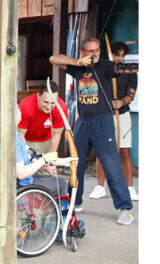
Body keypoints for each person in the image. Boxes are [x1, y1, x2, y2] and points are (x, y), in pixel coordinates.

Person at [49, 37, 138, 225]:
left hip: (102, 121)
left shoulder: (105, 66)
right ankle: (75, 201)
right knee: (76, 163)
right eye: (90, 51)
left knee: (111, 164)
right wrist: (77, 62)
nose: (94, 54)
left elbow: (126, 68)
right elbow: (53, 59)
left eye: (97, 50)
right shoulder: (78, 67)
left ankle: (125, 208)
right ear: (82, 53)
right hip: (82, 122)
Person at [90, 41, 138, 201]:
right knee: (103, 152)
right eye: (117, 54)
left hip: (122, 114)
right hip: (104, 115)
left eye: (122, 55)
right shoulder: (103, 70)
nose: (120, 58)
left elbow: (131, 94)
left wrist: (122, 102)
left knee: (124, 151)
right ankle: (99, 187)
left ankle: (130, 188)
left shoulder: (130, 72)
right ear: (111, 55)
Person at [16, 105, 77, 196]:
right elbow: (21, 173)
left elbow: (33, 156)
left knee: (54, 180)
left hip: (24, 182)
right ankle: (61, 210)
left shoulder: (15, 135)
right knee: (61, 183)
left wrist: (63, 162)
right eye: (17, 108)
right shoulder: (13, 140)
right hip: (23, 185)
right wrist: (44, 160)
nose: (19, 109)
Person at [18, 81, 68, 175]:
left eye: (53, 103)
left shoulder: (61, 107)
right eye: (45, 102)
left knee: (49, 174)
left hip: (47, 142)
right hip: (26, 141)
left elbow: (57, 135)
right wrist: (31, 157)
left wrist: (48, 161)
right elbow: (21, 135)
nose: (49, 107)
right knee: (24, 175)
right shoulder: (26, 105)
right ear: (38, 96)